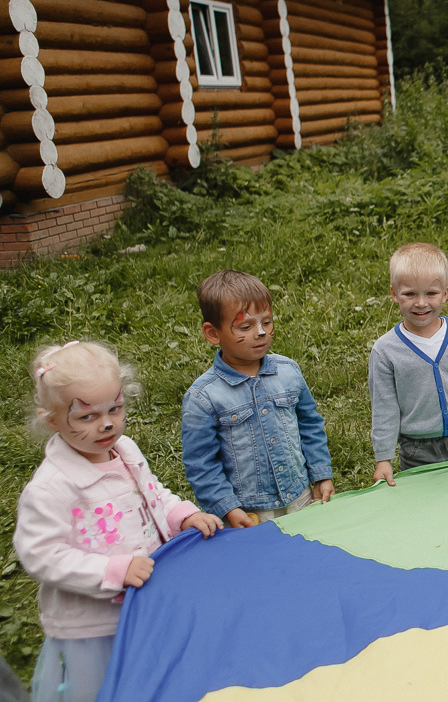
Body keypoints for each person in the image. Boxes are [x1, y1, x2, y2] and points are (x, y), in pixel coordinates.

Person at [14, 341, 221, 702]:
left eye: (115, 408)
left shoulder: (126, 451)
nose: (107, 423)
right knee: (107, 690)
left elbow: (153, 493)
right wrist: (112, 571)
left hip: (147, 603)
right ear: (52, 420)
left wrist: (181, 515)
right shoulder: (52, 487)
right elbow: (40, 554)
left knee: (155, 680)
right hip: (94, 628)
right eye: (87, 417)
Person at [182, 271, 334, 526]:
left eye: (267, 322)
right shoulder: (203, 397)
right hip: (248, 512)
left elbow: (310, 426)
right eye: (246, 326)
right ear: (213, 333)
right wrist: (227, 507)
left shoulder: (288, 372)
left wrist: (321, 474)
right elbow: (201, 463)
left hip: (301, 498)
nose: (261, 332)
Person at [369, 243, 448, 486]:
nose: (421, 303)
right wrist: (383, 458)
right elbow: (384, 409)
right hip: (416, 451)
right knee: (423, 505)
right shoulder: (385, 350)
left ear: (445, 293)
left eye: (431, 293)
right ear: (394, 293)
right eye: (410, 294)